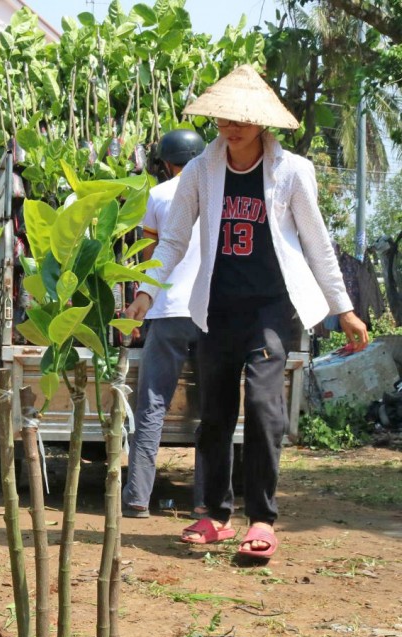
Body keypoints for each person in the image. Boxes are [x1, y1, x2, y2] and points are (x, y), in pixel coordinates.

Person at [124, 66, 368, 560]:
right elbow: (172, 240)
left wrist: (343, 308)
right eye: (222, 119)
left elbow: (318, 244)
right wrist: (145, 294)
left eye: (240, 119)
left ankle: (261, 517)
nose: (230, 127)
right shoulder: (200, 171)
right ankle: (215, 515)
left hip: (271, 309)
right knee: (214, 413)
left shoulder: (292, 171)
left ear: (261, 122)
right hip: (215, 307)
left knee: (262, 406)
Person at [122, 129, 206, 519]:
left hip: (167, 312)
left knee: (152, 406)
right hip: (209, 314)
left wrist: (142, 300)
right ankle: (205, 500)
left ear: (166, 163)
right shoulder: (217, 194)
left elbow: (152, 258)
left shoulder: (157, 196)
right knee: (211, 410)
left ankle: (138, 498)